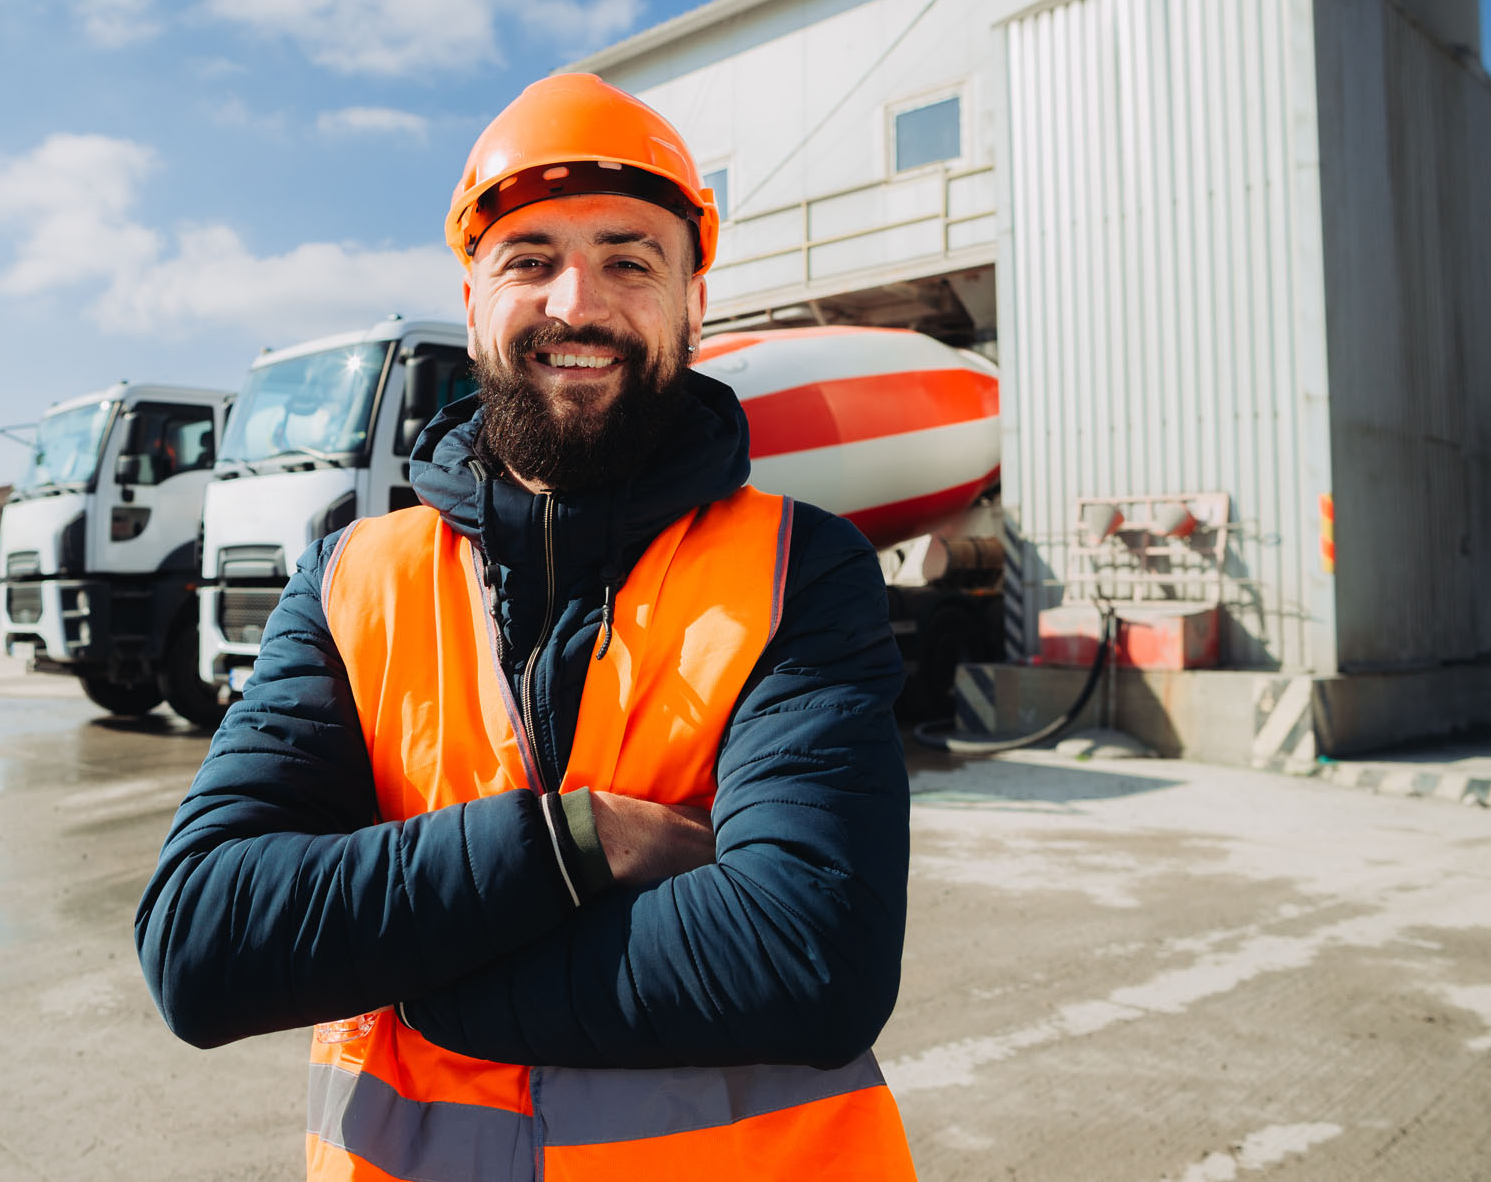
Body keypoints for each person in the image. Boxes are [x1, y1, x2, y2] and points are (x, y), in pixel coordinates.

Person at [137, 72, 916, 1179]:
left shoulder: (796, 571)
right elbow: (201, 945)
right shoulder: (356, 581)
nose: (573, 303)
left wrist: (415, 974)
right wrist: (573, 840)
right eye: (529, 258)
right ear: (471, 304)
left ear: (694, 303)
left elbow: (805, 959)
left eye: (627, 259)